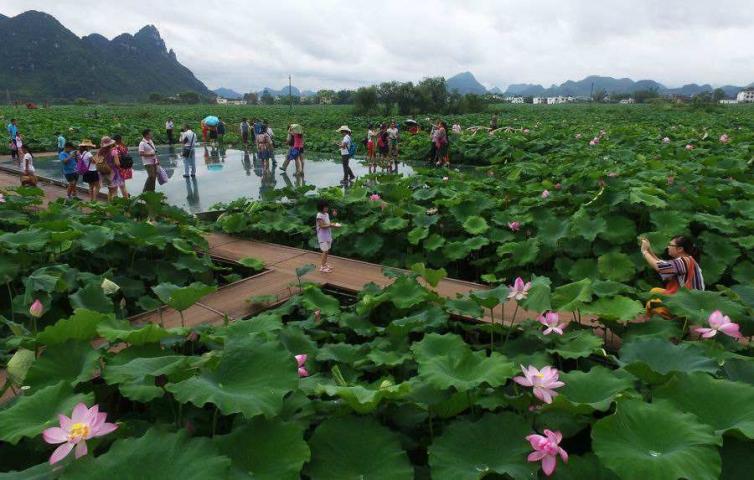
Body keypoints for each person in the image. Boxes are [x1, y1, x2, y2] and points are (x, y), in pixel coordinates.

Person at [641, 235, 705, 317]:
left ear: (680, 249)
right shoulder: (686, 260)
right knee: (655, 291)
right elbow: (660, 263)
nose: (668, 247)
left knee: (652, 304)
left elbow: (659, 267)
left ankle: (649, 321)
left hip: (687, 304)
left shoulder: (684, 261)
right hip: (683, 298)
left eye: (670, 245)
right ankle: (650, 318)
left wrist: (644, 252)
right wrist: (648, 249)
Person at [316, 199, 340, 273]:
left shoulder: (326, 214)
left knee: (327, 251)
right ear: (321, 208)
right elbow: (322, 226)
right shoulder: (319, 215)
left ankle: (325, 264)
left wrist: (333, 224)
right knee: (324, 251)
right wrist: (331, 225)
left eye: (327, 207)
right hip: (322, 236)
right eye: (325, 207)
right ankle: (322, 267)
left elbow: (327, 223)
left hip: (328, 234)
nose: (327, 208)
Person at [96, 136, 123, 202]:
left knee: (110, 190)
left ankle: (108, 204)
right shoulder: (113, 151)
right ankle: (112, 205)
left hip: (103, 172)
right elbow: (117, 163)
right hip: (112, 172)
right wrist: (120, 167)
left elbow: (97, 161)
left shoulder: (99, 151)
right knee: (113, 191)